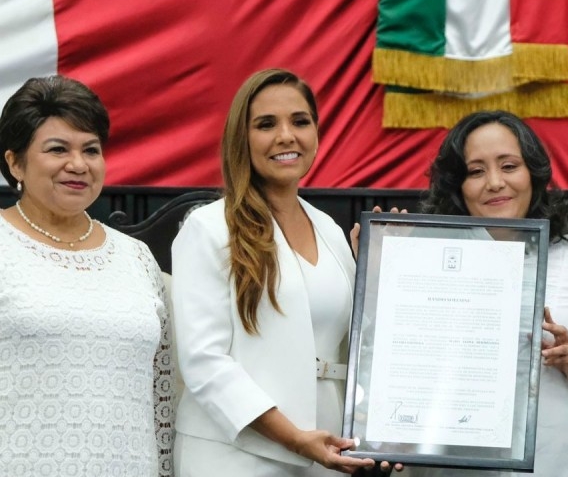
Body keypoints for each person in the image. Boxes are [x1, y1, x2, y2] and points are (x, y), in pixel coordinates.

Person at [171, 69, 394, 476]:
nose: (287, 135)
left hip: (324, 449)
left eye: (300, 121)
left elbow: (352, 344)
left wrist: (379, 275)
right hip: (236, 454)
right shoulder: (208, 228)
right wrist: (293, 437)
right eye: (266, 124)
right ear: (242, 137)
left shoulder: (328, 228)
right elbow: (204, 362)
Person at [408, 110, 568, 476]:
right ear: (457, 186)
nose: (495, 182)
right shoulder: (426, 263)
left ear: (533, 174)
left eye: (509, 166)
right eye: (476, 171)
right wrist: (384, 263)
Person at [0, 75, 175, 476]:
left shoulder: (136, 257)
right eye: (57, 149)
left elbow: (160, 399)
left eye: (91, 150)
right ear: (15, 162)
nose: (78, 165)